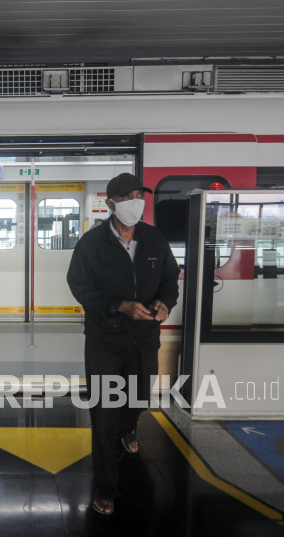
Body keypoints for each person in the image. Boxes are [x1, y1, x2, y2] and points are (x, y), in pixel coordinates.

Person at [66, 173, 180, 516]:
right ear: (111, 204)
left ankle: (128, 426)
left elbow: (170, 278)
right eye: (129, 197)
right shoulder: (92, 243)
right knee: (103, 411)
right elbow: (79, 285)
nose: (137, 202)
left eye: (138, 195)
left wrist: (165, 302)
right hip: (105, 339)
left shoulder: (154, 239)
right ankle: (105, 486)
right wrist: (119, 305)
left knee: (140, 395)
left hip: (145, 337)